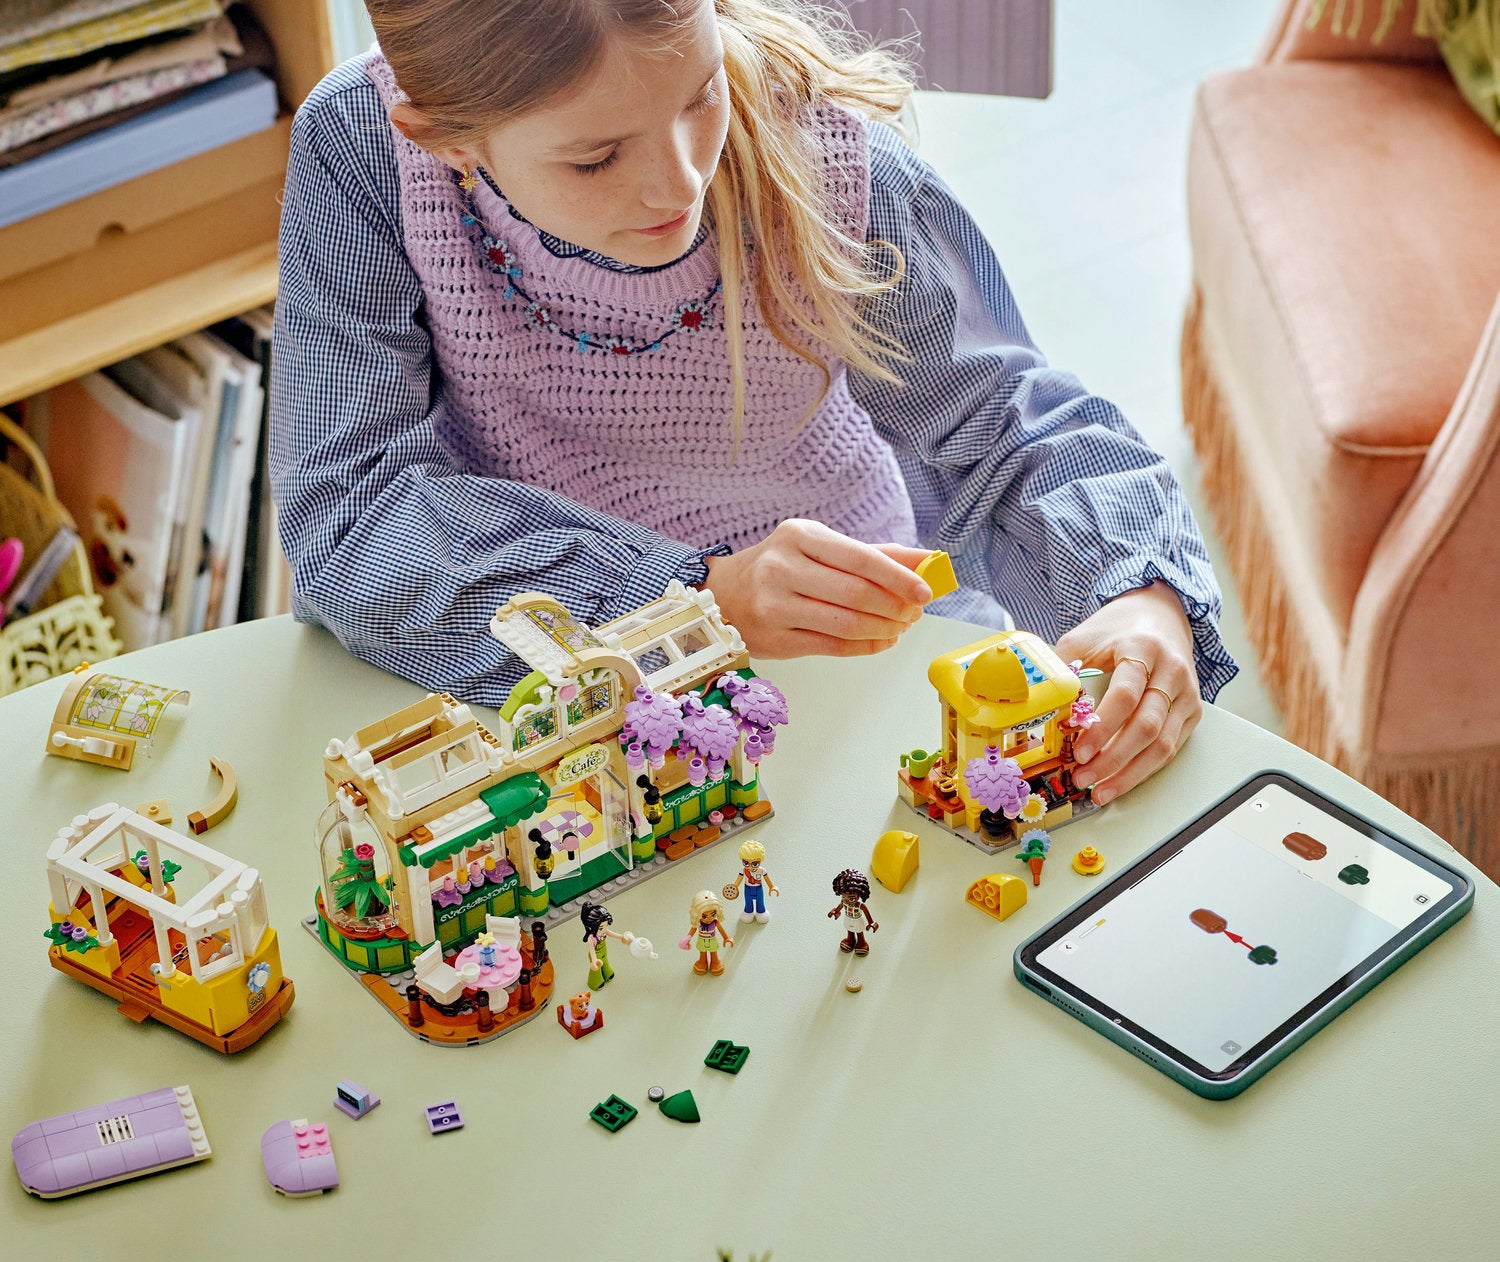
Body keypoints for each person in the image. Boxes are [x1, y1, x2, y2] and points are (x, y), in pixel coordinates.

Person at [271, 0, 1237, 808]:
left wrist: (1139, 594)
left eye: (701, 96)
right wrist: (694, 600)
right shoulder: (364, 151)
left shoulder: (825, 154)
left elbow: (1005, 419)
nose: (681, 180)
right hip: (546, 662)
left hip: (849, 638)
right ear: (443, 138)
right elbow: (347, 520)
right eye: (596, 158)